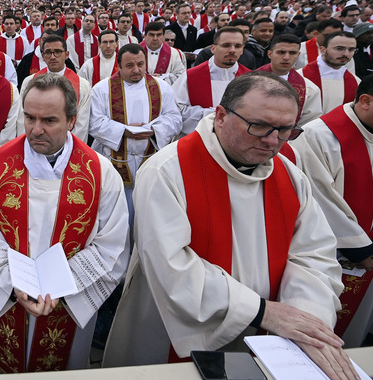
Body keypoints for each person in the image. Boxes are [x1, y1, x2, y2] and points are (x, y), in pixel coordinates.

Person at [102, 73, 356, 380]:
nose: (273, 141)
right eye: (259, 126)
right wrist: (261, 311)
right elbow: (172, 266)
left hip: (274, 331)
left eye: (285, 130)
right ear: (221, 115)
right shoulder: (167, 171)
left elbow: (313, 255)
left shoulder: (289, 175)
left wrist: (305, 321)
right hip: (175, 327)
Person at [0, 73, 130, 372]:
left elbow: (112, 244)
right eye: (29, 118)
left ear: (72, 120)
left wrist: (59, 288)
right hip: (9, 299)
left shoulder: (100, 173)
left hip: (67, 301)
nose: (35, 130)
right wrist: (14, 284)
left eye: (49, 120)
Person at [291, 68, 373, 347]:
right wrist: (360, 248)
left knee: (357, 328)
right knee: (320, 331)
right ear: (366, 101)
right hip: (334, 253)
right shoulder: (320, 136)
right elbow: (317, 196)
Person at [89, 43, 182, 226]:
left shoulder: (161, 87)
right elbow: (94, 122)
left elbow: (175, 118)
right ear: (119, 65)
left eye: (140, 64)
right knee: (118, 217)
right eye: (130, 66)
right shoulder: (102, 89)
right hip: (114, 160)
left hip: (150, 158)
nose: (136, 70)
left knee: (147, 216)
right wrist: (123, 131)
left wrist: (153, 130)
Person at [172, 27, 252, 136]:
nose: (232, 50)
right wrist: (213, 114)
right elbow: (175, 110)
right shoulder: (190, 76)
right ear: (213, 48)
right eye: (226, 45)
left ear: (242, 50)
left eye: (237, 46)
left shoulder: (250, 78)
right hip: (201, 137)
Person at [19, 34, 91, 141]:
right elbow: (23, 117)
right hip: (35, 141)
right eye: (48, 52)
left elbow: (82, 124)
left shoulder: (82, 85)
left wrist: (62, 146)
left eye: (57, 51)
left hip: (67, 146)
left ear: (66, 54)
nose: (53, 56)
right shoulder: (29, 82)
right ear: (43, 56)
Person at [257, 34, 323, 126]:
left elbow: (309, 123)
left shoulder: (309, 89)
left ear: (298, 54)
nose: (286, 57)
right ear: (270, 54)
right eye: (281, 52)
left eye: (292, 53)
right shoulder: (248, 81)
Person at [302, 31, 361, 113]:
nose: (346, 54)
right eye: (339, 49)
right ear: (323, 50)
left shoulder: (356, 82)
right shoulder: (301, 77)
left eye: (351, 49)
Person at [141, 20, 187, 85]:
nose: (155, 38)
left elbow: (181, 76)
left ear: (163, 36)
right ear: (145, 36)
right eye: (151, 35)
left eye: (159, 35)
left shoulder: (174, 53)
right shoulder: (135, 52)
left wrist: (162, 77)